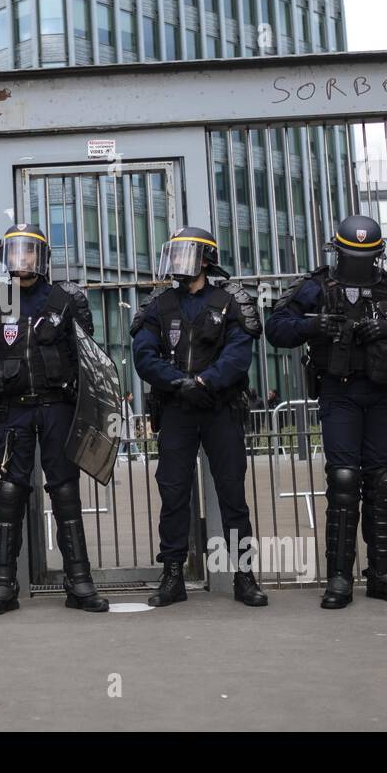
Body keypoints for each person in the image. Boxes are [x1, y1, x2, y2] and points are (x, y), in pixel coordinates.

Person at [264, 215, 387, 609]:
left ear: (377, 255)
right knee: (343, 480)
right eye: (351, 254)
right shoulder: (316, 286)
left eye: (366, 255)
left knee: (382, 480)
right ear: (338, 251)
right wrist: (317, 326)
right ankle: (339, 577)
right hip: (338, 392)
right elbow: (276, 327)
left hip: (382, 394)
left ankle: (380, 573)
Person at [0, 223, 109, 615]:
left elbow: (88, 364)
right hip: (14, 412)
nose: (21, 258)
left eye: (29, 251)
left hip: (58, 409)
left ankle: (79, 581)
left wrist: (91, 418)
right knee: (10, 494)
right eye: (15, 251)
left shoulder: (66, 299)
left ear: (42, 257)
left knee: (65, 492)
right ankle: (2, 584)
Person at [130, 227, 267, 608]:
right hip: (176, 409)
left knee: (232, 494)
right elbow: (144, 355)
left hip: (220, 408)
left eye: (184, 254)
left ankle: (244, 575)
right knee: (173, 492)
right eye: (172, 254)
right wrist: (178, 383)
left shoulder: (230, 300)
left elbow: (239, 355)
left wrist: (205, 382)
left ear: (205, 259)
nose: (176, 262)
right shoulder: (159, 303)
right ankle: (173, 575)